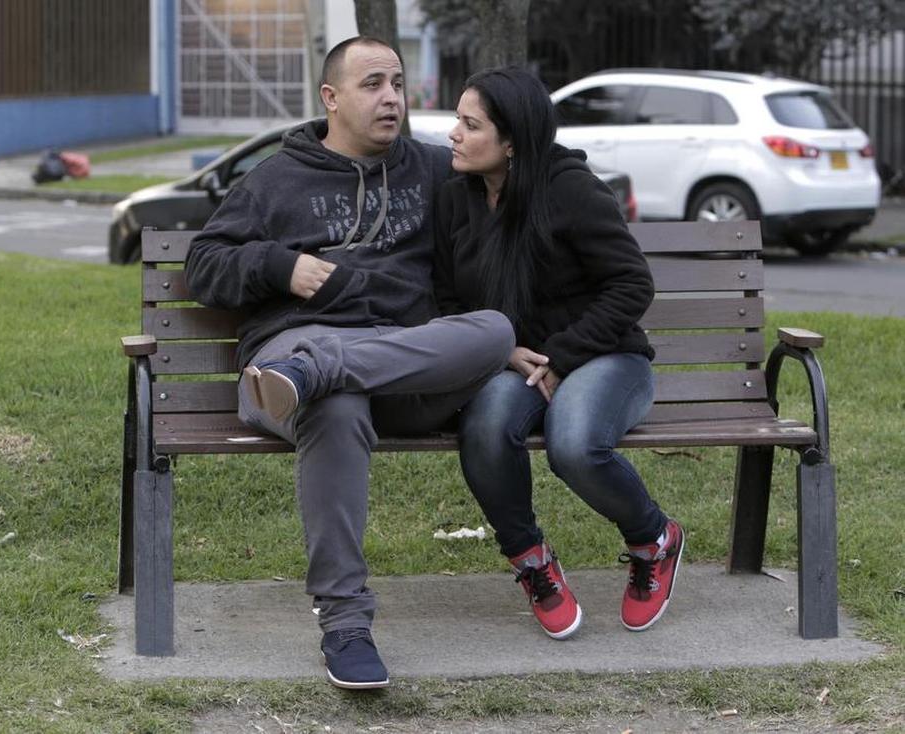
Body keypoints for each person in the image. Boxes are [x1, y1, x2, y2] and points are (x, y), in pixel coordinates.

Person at [184, 37, 515, 689]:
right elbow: (204, 263)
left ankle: (324, 364)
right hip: (284, 362)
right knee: (333, 405)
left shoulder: (435, 172)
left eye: (397, 82)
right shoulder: (276, 179)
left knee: (496, 330)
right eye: (372, 84)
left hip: (401, 366)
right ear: (331, 99)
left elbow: (530, 192)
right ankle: (345, 625)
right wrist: (281, 265)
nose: (391, 96)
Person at [434, 66, 685, 640]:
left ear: (513, 143)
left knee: (574, 445)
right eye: (457, 120)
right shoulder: (456, 200)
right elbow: (446, 299)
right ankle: (532, 563)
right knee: (487, 425)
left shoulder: (570, 190)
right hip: (515, 363)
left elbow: (631, 286)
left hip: (604, 356)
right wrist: (502, 351)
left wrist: (562, 356)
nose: (454, 134)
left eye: (470, 125)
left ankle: (654, 538)